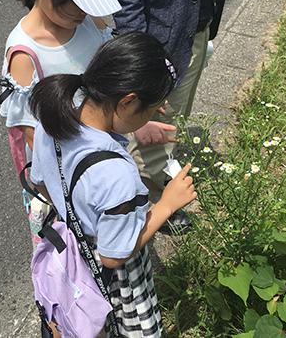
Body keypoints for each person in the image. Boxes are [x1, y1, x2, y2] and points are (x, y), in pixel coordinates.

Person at [0, 0, 174, 248]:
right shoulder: (25, 53)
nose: (86, 12)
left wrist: (137, 120)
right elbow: (38, 138)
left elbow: (106, 90)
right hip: (61, 180)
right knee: (68, 256)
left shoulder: (90, 21)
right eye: (77, 3)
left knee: (105, 244)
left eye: (91, 3)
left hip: (97, 162)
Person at [28, 32, 197, 337]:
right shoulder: (118, 174)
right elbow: (114, 254)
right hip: (113, 278)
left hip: (69, 248)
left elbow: (41, 182)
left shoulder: (54, 118)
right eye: (151, 107)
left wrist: (136, 124)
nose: (154, 112)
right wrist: (167, 204)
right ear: (128, 101)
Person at [100, 0, 227, 233]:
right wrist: (144, 76)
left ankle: (159, 190)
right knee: (150, 135)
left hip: (193, 34)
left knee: (172, 125)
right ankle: (152, 207)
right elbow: (125, 4)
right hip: (160, 53)